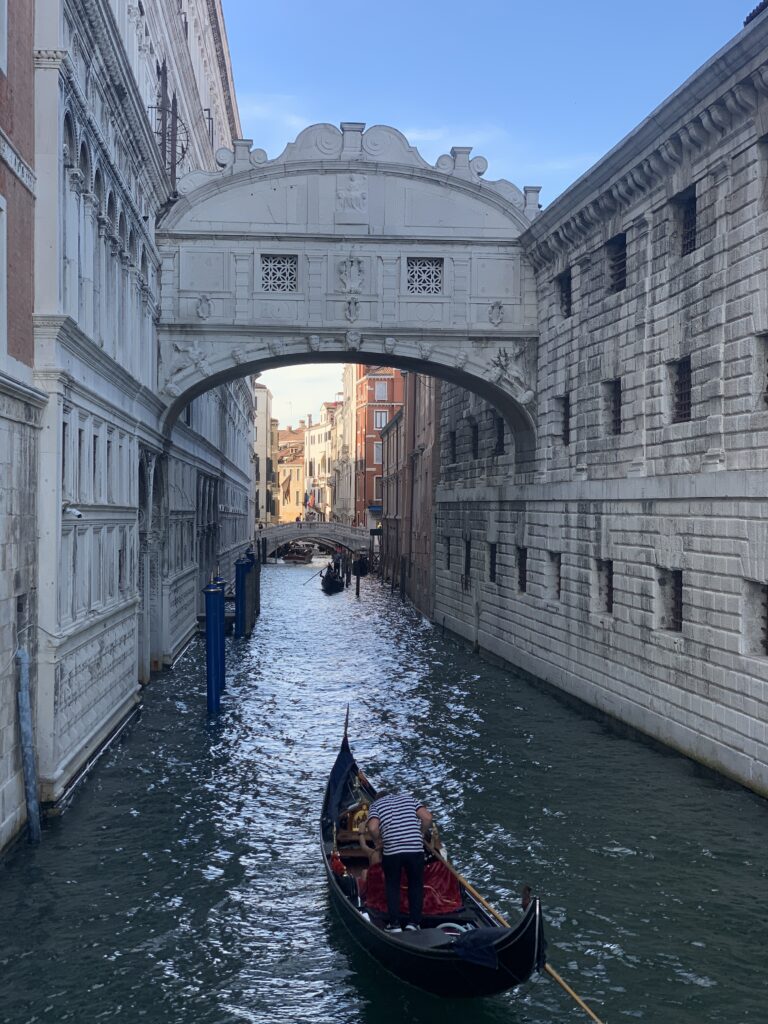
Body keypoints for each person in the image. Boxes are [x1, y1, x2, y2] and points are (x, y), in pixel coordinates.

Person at [366, 790, 432, 932]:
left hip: (392, 850)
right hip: (415, 848)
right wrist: (420, 834)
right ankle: (414, 923)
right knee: (415, 884)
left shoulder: (376, 805)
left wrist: (378, 841)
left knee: (392, 885)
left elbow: (372, 827)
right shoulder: (409, 799)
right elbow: (427, 818)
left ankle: (395, 925)